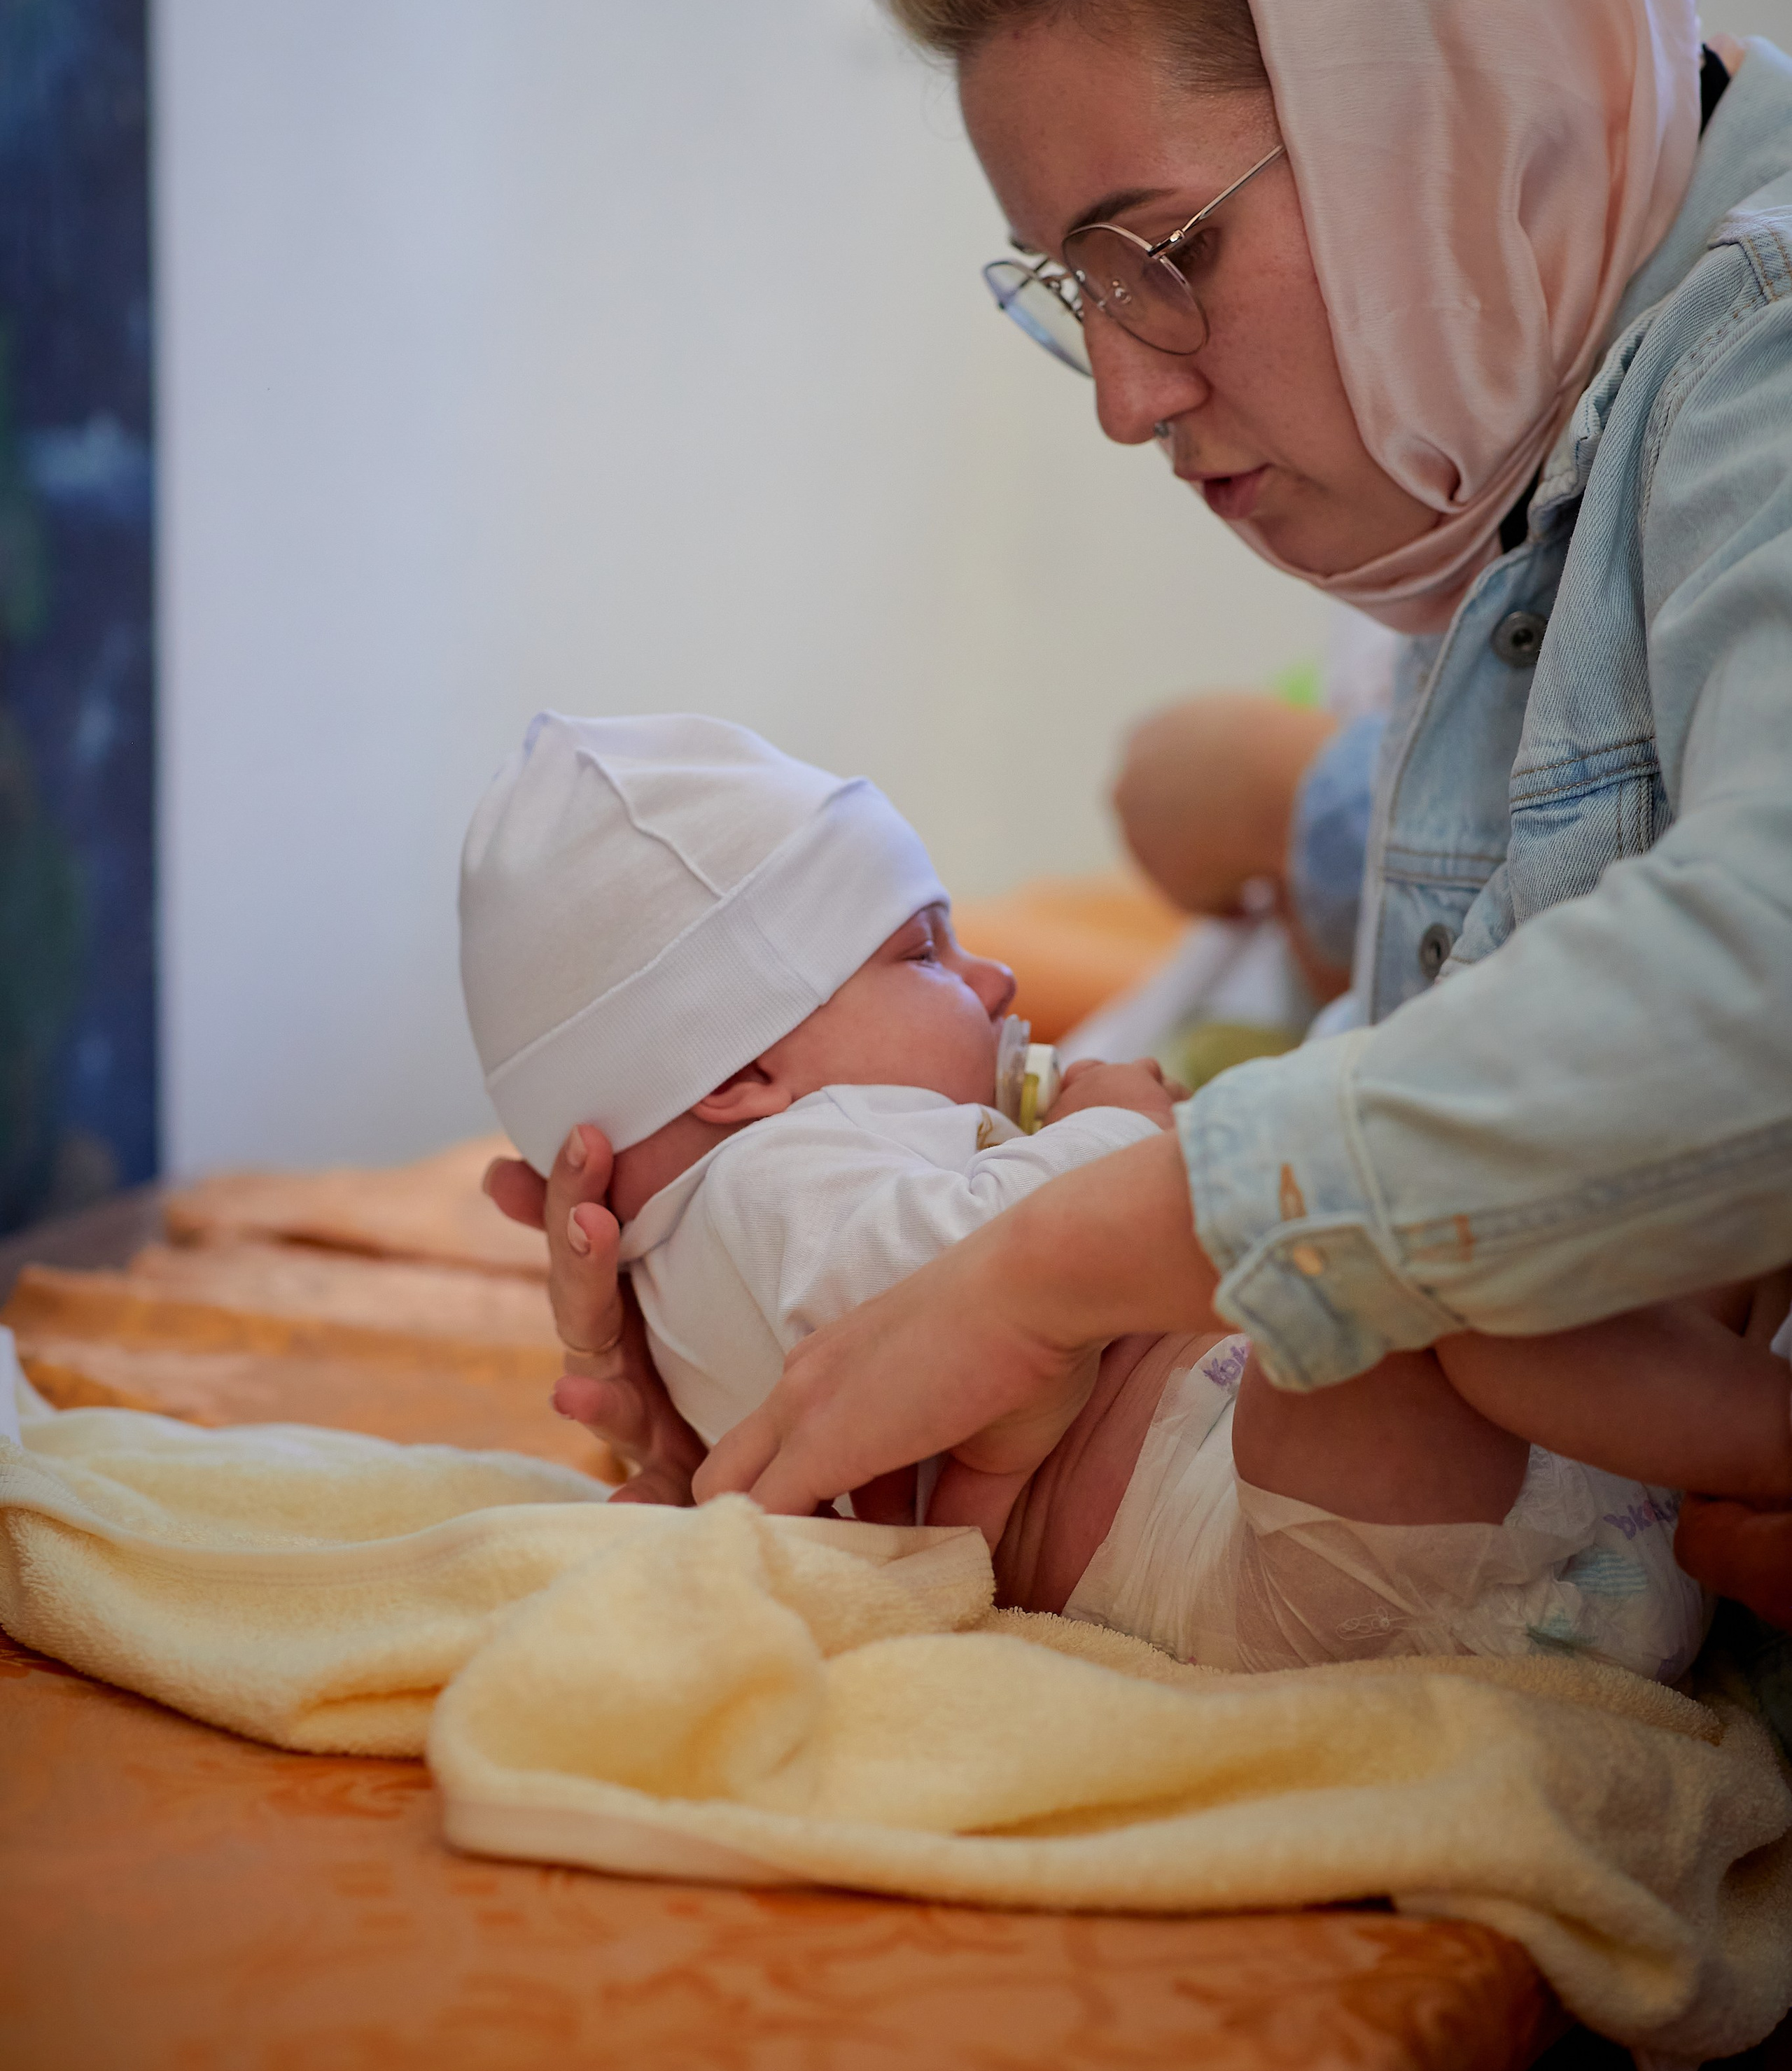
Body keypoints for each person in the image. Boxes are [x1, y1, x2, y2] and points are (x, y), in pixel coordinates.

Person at [491, 0, 1792, 1631]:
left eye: (1160, 256)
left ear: (1440, 108)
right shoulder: (1503, 506)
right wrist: (827, 1425)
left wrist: (1058, 1262)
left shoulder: (1755, 358)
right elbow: (1458, 1144)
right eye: (1068, 293)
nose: (1117, 396)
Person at [464, 711, 1792, 1680]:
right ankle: (1755, 1438)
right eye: (922, 949)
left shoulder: (746, 1225)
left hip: (1460, 1528)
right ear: (745, 1069)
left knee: (1477, 1232)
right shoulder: (772, 1185)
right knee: (1372, 1255)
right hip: (1291, 1561)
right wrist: (1110, 1135)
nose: (990, 980)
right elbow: (940, 1271)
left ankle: (1723, 1428)